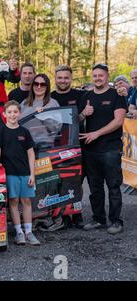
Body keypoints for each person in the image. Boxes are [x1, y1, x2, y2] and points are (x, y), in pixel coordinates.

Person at [78, 63, 127, 234]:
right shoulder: (86, 96)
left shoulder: (116, 95)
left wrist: (97, 133)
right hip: (90, 149)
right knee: (95, 187)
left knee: (113, 186)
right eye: (95, 75)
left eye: (101, 75)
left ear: (107, 76)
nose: (98, 78)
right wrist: (84, 113)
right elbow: (76, 119)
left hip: (110, 149)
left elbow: (119, 121)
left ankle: (116, 221)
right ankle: (98, 219)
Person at [0, 100, 40, 246]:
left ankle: (29, 232)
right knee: (13, 201)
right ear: (4, 114)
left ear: (19, 113)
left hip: (25, 172)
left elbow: (31, 154)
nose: (13, 115)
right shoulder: (1, 131)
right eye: (10, 112)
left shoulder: (24, 132)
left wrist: (32, 174)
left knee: (26, 201)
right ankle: (19, 233)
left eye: (15, 112)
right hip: (10, 173)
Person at [50, 64, 86, 230]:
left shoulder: (81, 95)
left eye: (66, 78)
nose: (63, 81)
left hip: (77, 145)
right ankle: (63, 215)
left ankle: (77, 214)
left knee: (76, 181)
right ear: (55, 78)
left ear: (71, 79)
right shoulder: (49, 98)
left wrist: (122, 93)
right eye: (60, 78)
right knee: (60, 182)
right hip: (57, 146)